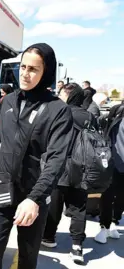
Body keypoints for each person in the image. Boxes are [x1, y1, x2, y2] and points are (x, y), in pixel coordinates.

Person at [0, 43, 73, 269]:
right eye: (23, 67)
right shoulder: (9, 101)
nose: (25, 73)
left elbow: (56, 161)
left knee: (27, 257)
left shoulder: (58, 110)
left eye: (33, 69)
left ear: (46, 73)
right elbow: (5, 139)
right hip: (2, 187)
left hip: (34, 194)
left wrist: (34, 199)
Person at [42, 83, 97, 264]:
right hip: (83, 168)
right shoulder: (89, 116)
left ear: (69, 95)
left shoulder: (59, 112)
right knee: (79, 208)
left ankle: (49, 238)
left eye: (62, 94)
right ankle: (77, 247)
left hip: (59, 167)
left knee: (54, 204)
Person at [94, 101, 124, 244]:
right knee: (107, 194)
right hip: (113, 161)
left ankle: (114, 221)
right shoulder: (117, 111)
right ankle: (104, 225)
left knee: (121, 197)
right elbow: (101, 123)